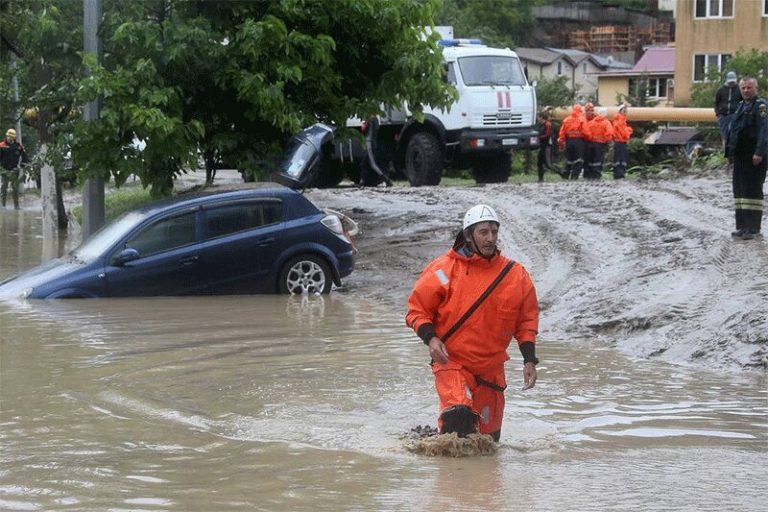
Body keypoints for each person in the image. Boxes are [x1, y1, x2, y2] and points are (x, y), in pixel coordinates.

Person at [405, 204, 539, 442]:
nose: (490, 238)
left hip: (491, 371)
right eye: (483, 232)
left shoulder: (516, 275)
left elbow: (527, 321)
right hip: (452, 363)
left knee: (488, 443)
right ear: (468, 235)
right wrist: (431, 339)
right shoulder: (442, 270)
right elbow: (417, 310)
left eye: (494, 232)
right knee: (459, 419)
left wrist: (529, 360)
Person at [725, 77, 767, 240]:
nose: (746, 90)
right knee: (740, 191)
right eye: (743, 88)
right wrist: (730, 153)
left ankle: (753, 227)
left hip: (754, 155)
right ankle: (742, 226)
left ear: (756, 89)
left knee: (752, 191)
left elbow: (764, 131)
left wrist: (759, 152)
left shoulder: (761, 107)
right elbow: (734, 131)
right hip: (740, 155)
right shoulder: (741, 106)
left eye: (749, 87)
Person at [558, 104, 590, 180]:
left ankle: (565, 175)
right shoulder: (582, 119)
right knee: (578, 160)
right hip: (579, 141)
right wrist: (587, 139)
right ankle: (574, 176)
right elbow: (586, 132)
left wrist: (561, 142)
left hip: (569, 141)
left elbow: (562, 132)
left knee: (569, 160)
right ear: (580, 111)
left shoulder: (566, 120)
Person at [0, 128, 28, 210]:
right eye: (8, 136)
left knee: (15, 188)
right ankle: (3, 205)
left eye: (11, 137)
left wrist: (22, 165)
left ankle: (16, 206)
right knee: (4, 187)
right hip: (4, 170)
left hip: (14, 170)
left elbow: (25, 157)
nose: (9, 138)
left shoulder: (19, 146)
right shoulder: (1, 145)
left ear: (14, 137)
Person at [715, 71, 743, 147]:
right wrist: (718, 114)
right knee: (725, 136)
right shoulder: (721, 90)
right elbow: (716, 102)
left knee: (735, 134)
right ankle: (726, 151)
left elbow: (743, 102)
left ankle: (735, 150)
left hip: (735, 115)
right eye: (730, 82)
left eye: (733, 82)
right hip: (723, 116)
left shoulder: (739, 90)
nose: (732, 84)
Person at [584, 106, 613, 180]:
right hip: (600, 144)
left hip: (591, 143)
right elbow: (609, 133)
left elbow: (586, 132)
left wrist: (589, 139)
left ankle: (589, 174)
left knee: (591, 158)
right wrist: (607, 141)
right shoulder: (606, 123)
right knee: (598, 159)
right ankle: (596, 174)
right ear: (605, 114)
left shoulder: (591, 122)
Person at [612, 104, 633, 179]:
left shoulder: (620, 120)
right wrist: (629, 131)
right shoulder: (620, 121)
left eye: (626, 111)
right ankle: (619, 173)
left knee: (620, 159)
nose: (625, 112)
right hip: (620, 142)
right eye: (624, 110)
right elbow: (623, 133)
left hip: (620, 142)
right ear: (620, 111)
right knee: (620, 159)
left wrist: (627, 131)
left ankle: (620, 173)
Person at [536, 111, 554, 182]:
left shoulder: (547, 124)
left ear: (541, 117)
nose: (537, 119)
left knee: (548, 164)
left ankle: (562, 173)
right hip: (542, 146)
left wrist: (538, 138)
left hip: (547, 146)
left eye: (538, 117)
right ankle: (540, 179)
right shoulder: (541, 125)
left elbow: (547, 135)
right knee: (539, 163)